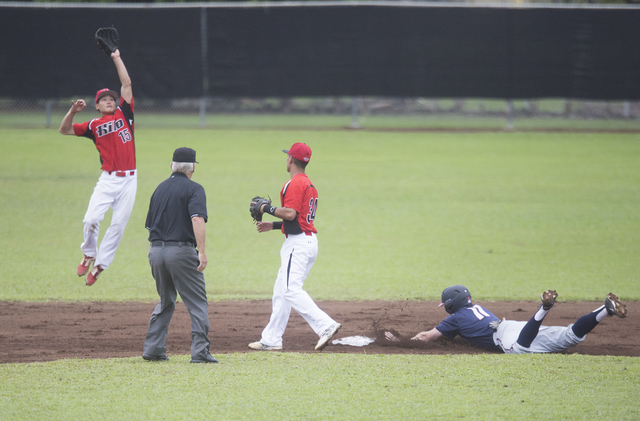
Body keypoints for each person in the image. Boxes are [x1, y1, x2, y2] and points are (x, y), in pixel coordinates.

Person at [249, 143, 341, 351]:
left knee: (290, 289)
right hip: (306, 241)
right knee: (281, 291)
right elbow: (297, 220)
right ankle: (271, 339)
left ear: (291, 159)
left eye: (287, 157)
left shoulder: (294, 183)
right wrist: (272, 225)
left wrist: (266, 208)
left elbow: (290, 214)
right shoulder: (309, 184)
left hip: (297, 245)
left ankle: (325, 325)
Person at [59, 48, 136, 286]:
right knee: (91, 219)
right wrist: (72, 112)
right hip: (108, 179)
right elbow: (65, 130)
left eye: (112, 98)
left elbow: (127, 82)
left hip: (129, 180)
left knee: (117, 226)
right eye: (105, 99)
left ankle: (100, 266)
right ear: (97, 105)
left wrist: (116, 57)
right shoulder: (92, 125)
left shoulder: (125, 114)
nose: (110, 101)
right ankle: (88, 253)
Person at [385, 284, 627, 354]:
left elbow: (428, 337)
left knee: (520, 349)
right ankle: (604, 310)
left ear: (450, 305)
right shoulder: (475, 308)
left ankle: (543, 309)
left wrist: (400, 341)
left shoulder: (455, 318)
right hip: (511, 325)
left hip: (507, 335)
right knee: (571, 336)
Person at [142, 147, 218, 364]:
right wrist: (201, 252)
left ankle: (154, 349)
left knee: (166, 299)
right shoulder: (194, 189)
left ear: (171, 166)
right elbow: (197, 219)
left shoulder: (159, 189)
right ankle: (200, 352)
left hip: (156, 251)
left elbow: (149, 227)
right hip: (181, 251)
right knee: (197, 303)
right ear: (193, 167)